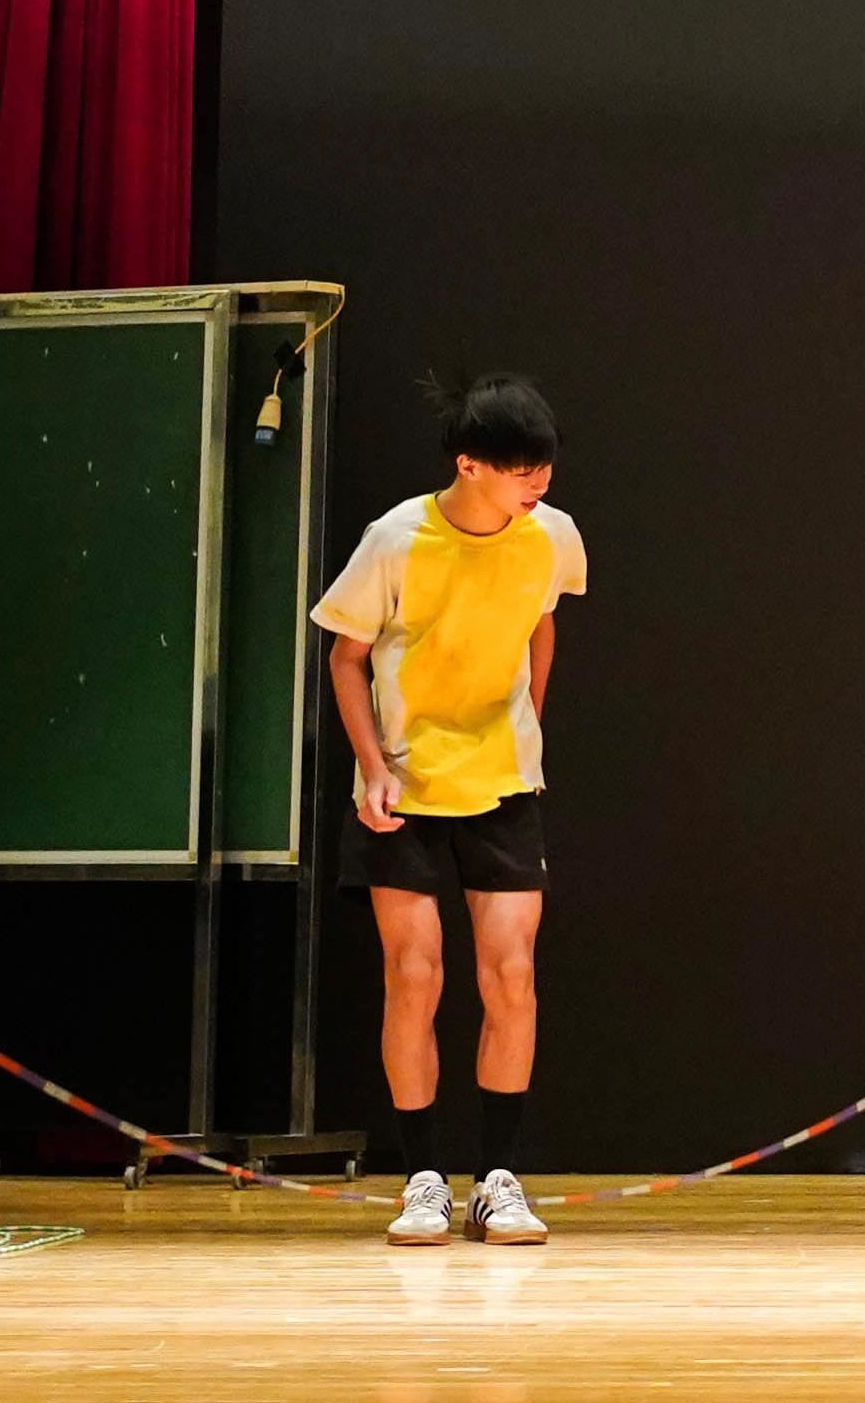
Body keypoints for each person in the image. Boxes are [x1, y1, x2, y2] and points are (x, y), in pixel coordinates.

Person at [318, 373, 587, 1249]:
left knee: (511, 976)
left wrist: (528, 726)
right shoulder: (396, 539)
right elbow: (346, 657)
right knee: (415, 975)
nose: (537, 483)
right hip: (404, 784)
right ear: (469, 465)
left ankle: (497, 1180)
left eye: (543, 466)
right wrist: (372, 767)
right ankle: (423, 1178)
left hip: (500, 783)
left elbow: (542, 622)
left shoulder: (552, 535)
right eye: (519, 469)